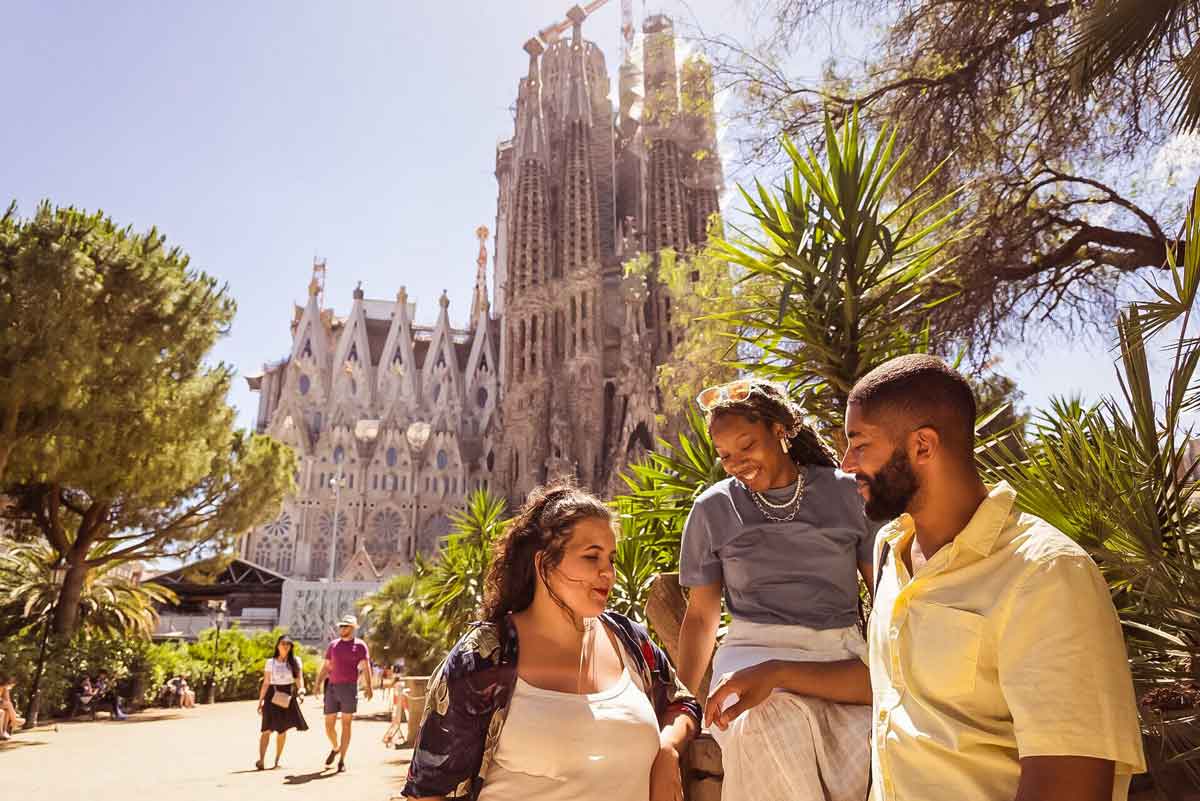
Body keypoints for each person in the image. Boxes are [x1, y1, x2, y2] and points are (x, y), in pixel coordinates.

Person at [714, 355, 1147, 800]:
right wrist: (777, 672)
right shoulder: (891, 551)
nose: (844, 464)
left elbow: (1069, 783)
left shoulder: (1045, 574)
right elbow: (891, 681)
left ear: (922, 446)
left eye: (860, 444)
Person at [403, 482, 700, 801]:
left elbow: (682, 702)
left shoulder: (628, 639)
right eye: (591, 557)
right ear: (544, 563)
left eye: (611, 559)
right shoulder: (484, 656)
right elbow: (429, 793)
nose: (608, 573)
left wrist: (668, 749)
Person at [676, 379, 874, 801]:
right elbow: (700, 618)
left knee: (875, 738)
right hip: (751, 658)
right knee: (768, 722)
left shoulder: (847, 493)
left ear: (781, 429)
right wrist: (679, 704)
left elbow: (884, 592)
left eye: (746, 445)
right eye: (725, 454)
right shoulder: (713, 508)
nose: (736, 463)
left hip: (838, 658)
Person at [315, 614, 373, 773]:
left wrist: (369, 686)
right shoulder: (333, 645)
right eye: (341, 626)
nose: (342, 628)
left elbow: (366, 667)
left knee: (346, 724)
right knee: (328, 725)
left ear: (353, 628)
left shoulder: (360, 645)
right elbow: (327, 666)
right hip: (332, 687)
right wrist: (318, 683)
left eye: (346, 626)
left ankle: (342, 760)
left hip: (349, 687)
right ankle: (336, 748)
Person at [255, 634, 308, 770]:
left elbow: (299, 678)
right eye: (283, 643)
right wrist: (260, 701)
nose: (285, 646)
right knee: (266, 729)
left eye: (288, 644)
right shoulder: (270, 662)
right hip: (272, 695)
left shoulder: (295, 661)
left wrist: (301, 690)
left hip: (287, 695)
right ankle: (261, 760)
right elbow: (266, 682)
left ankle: (277, 761)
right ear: (277, 645)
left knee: (282, 731)